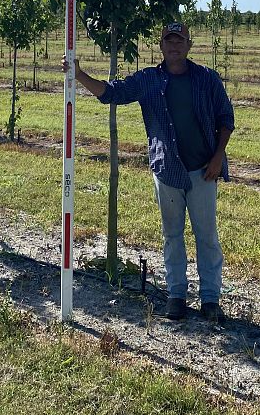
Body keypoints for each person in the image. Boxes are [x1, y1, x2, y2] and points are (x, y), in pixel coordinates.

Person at [63, 21, 233, 322]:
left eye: (180, 40)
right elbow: (112, 93)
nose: (174, 45)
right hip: (168, 171)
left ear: (189, 45)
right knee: (172, 235)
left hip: (204, 170)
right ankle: (177, 295)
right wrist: (79, 75)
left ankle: (210, 299)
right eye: (169, 40)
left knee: (206, 236)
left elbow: (225, 118)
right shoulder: (150, 79)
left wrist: (218, 157)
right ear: (161, 46)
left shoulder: (207, 78)